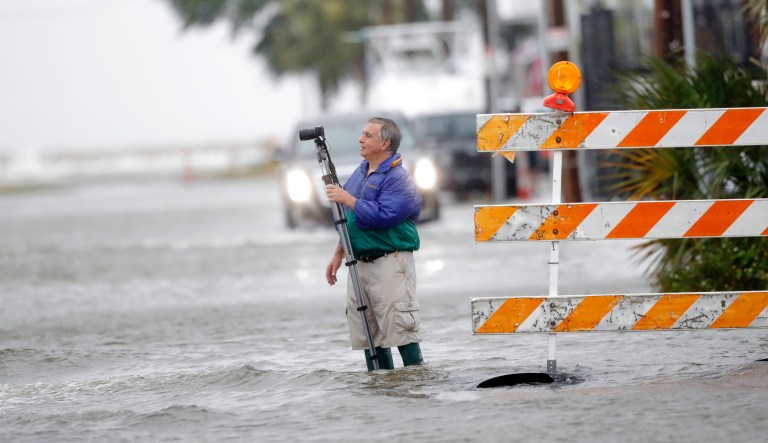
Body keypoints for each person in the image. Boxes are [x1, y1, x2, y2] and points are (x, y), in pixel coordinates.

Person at [324, 117, 424, 371]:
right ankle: (380, 391)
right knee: (369, 337)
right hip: (360, 263)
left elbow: (381, 216)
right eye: (362, 134)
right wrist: (339, 253)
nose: (361, 139)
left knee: (401, 332)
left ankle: (417, 385)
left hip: (391, 262)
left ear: (385, 143)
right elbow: (350, 220)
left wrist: (346, 198)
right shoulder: (360, 172)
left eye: (368, 135)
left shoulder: (399, 178)